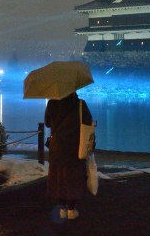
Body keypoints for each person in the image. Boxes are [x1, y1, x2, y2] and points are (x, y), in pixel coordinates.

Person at [44, 92, 93, 221]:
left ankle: (61, 209)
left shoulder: (51, 103)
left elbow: (47, 123)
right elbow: (88, 122)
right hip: (75, 147)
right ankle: (71, 210)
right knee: (73, 178)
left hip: (57, 147)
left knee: (59, 177)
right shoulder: (80, 104)